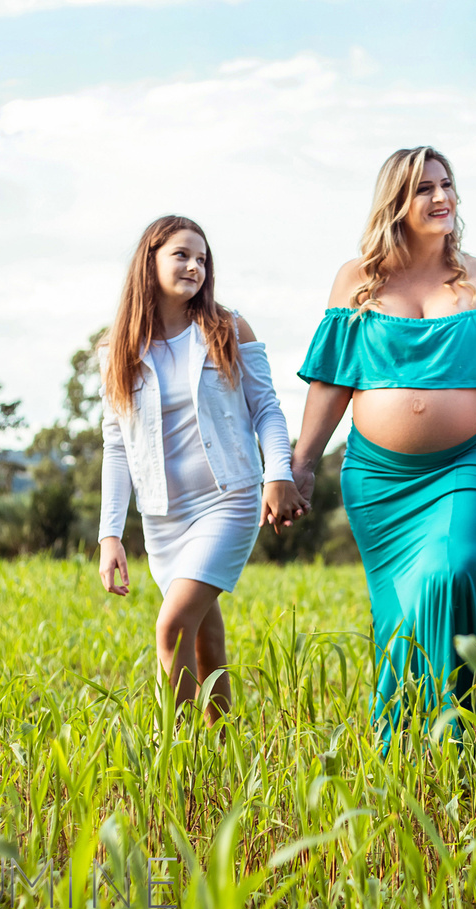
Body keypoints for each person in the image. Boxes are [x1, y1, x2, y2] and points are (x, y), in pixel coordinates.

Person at [291, 147, 476, 744]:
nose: (441, 198)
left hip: (467, 465)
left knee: (450, 571)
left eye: (446, 184)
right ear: (395, 203)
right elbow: (331, 382)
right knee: (399, 619)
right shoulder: (357, 280)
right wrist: (300, 465)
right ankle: (413, 754)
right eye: (423, 189)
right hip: (378, 482)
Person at [97, 215, 306, 724]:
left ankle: (180, 753)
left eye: (202, 259)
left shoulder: (228, 329)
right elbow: (116, 445)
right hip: (163, 517)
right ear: (149, 260)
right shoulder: (116, 348)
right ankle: (222, 751)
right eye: (181, 255)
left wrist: (278, 473)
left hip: (228, 499)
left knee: (171, 627)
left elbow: (266, 409)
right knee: (205, 640)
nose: (194, 266)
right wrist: (110, 534)